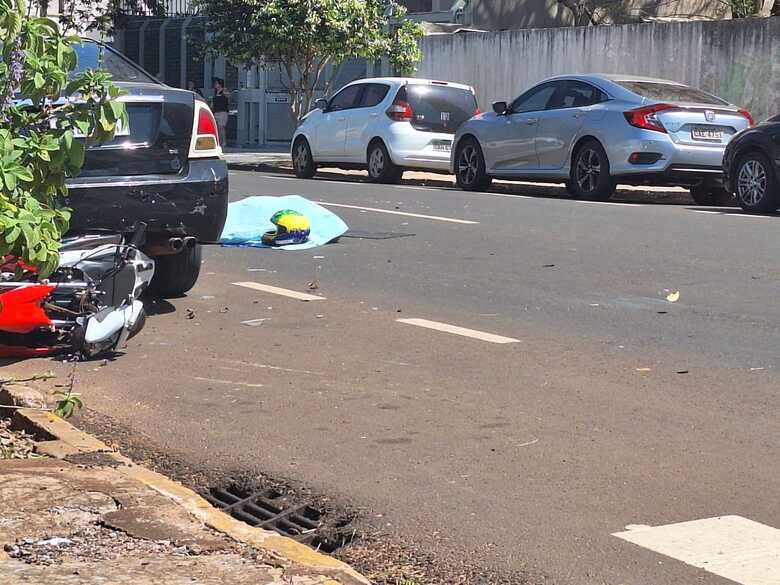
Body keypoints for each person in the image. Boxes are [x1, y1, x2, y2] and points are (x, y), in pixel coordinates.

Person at [211, 77, 230, 146]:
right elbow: (213, 102)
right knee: (217, 127)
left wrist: (225, 92)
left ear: (220, 84)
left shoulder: (224, 91)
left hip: (223, 111)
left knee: (221, 127)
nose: (215, 85)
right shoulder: (215, 92)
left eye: (216, 83)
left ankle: (224, 141)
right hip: (216, 111)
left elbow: (228, 96)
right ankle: (219, 141)